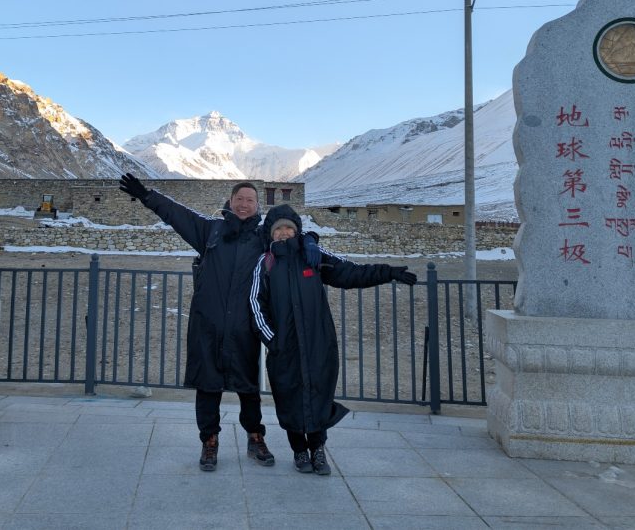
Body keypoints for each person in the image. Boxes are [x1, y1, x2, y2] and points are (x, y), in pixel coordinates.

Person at [118, 173, 275, 471]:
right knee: (208, 385)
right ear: (230, 202)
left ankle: (256, 438)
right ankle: (209, 442)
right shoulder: (211, 231)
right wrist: (147, 196)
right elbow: (177, 215)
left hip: (244, 327)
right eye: (239, 199)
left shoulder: (264, 238)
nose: (244, 205)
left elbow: (291, 237)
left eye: (250, 200)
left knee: (248, 387)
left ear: (258, 206)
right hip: (208, 325)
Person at [249, 204, 417, 475]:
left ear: (297, 230)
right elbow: (256, 305)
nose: (283, 233)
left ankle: (317, 450)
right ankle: (299, 451)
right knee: (289, 397)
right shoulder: (265, 263)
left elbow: (350, 273)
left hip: (318, 344)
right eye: (278, 228)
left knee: (319, 395)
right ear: (270, 232)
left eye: (288, 228)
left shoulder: (312, 256)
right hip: (284, 349)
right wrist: (273, 340)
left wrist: (388, 272)